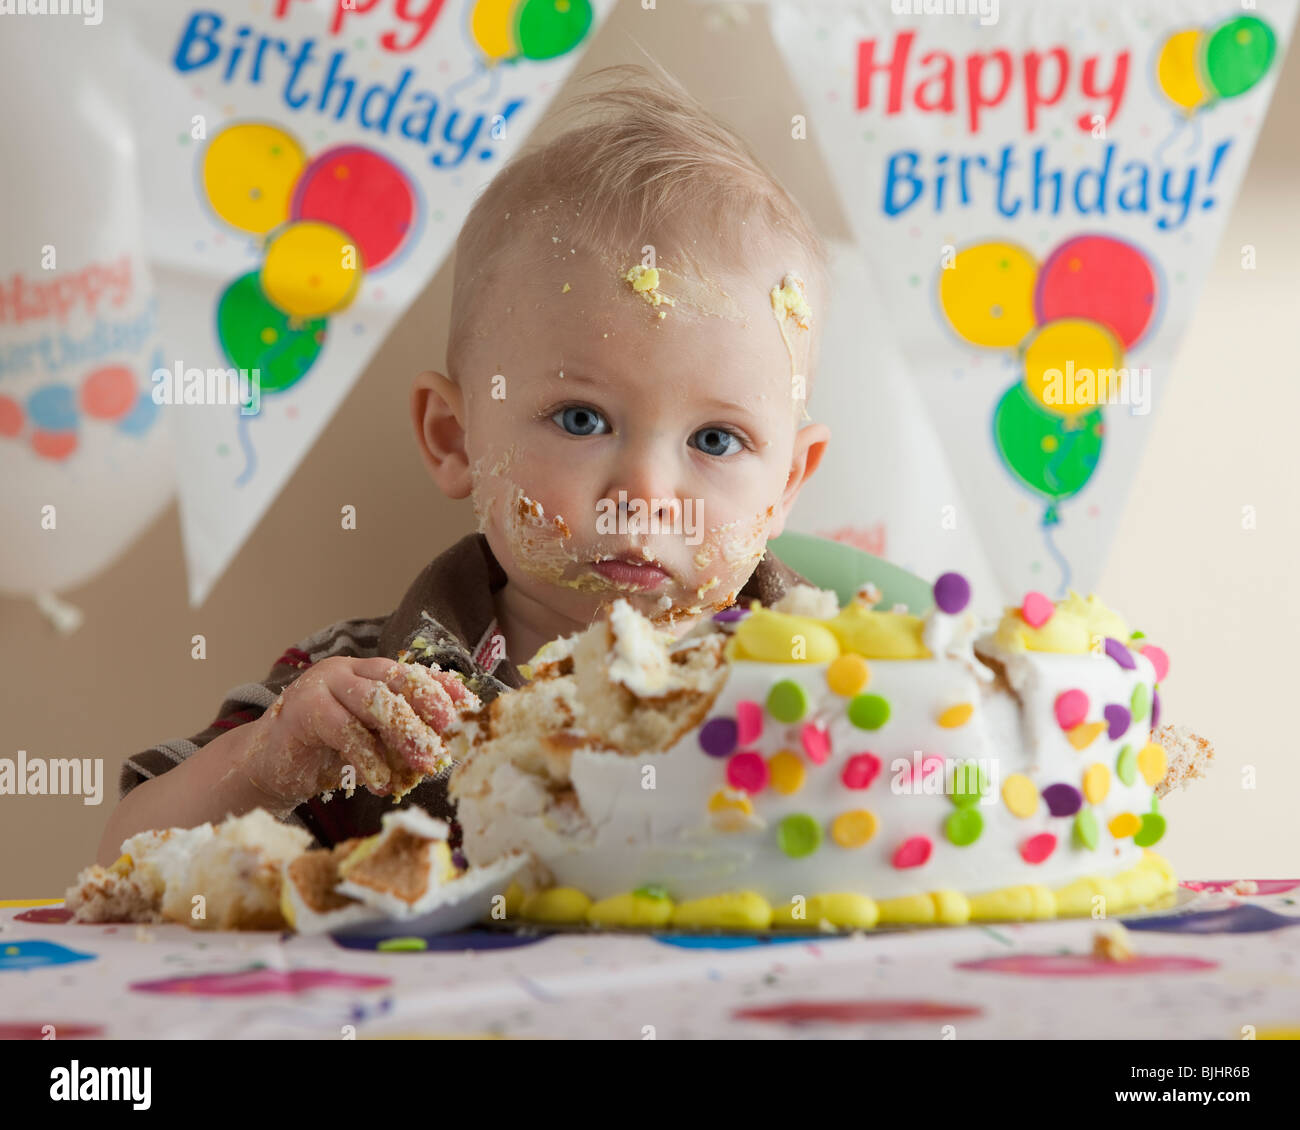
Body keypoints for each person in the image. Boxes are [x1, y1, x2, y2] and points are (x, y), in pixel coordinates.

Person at [96, 62, 831, 865]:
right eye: (582, 419)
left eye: (716, 440)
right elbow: (127, 859)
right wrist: (264, 764)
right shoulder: (360, 694)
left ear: (788, 481)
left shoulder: (844, 678)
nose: (646, 497)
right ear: (454, 439)